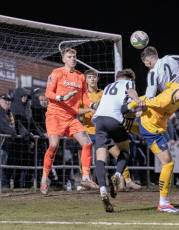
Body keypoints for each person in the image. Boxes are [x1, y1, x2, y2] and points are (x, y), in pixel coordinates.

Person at [41, 48, 98, 195]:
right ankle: (44, 177)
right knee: (53, 145)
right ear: (63, 59)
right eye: (69, 56)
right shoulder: (57, 73)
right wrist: (62, 97)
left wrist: (92, 105)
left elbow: (85, 96)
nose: (73, 58)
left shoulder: (80, 76)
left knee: (87, 142)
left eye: (74, 56)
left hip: (71, 117)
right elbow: (48, 93)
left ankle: (85, 177)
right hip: (55, 114)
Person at [136, 80, 179, 213]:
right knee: (168, 164)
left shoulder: (177, 87)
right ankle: (163, 203)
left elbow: (169, 83)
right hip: (151, 130)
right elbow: (144, 100)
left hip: (158, 127)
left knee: (168, 163)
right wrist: (130, 106)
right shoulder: (163, 101)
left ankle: (164, 201)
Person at [78, 69, 141, 191]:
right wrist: (137, 101)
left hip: (98, 125)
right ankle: (88, 177)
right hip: (91, 130)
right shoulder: (83, 95)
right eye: (90, 77)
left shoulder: (105, 89)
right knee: (124, 152)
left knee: (105, 156)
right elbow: (76, 110)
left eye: (94, 77)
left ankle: (109, 186)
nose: (92, 79)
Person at [92, 69, 139, 212]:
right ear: (129, 78)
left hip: (99, 120)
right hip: (114, 120)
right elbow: (131, 94)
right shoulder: (129, 82)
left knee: (100, 157)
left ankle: (102, 189)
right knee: (125, 151)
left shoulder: (108, 87)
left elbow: (98, 104)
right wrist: (137, 99)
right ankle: (118, 174)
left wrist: (92, 106)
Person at [0, 94, 16, 187]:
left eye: (9, 100)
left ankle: (4, 186)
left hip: (6, 144)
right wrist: (13, 132)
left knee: (4, 165)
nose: (7, 102)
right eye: (5, 99)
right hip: (1, 144)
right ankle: (3, 186)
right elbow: (3, 126)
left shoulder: (9, 113)